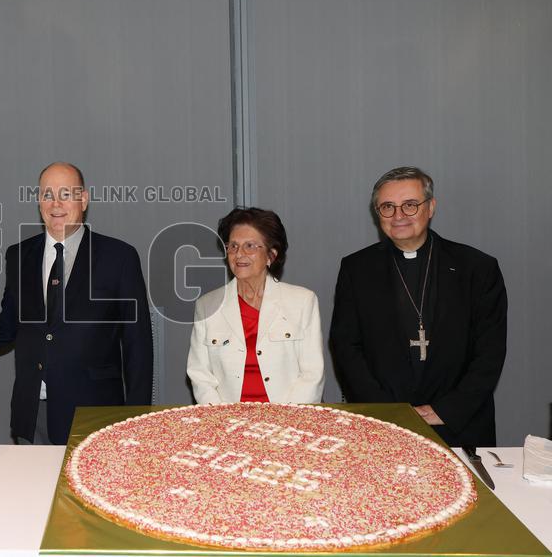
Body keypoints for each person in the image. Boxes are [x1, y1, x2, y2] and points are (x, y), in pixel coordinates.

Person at [329, 166, 507, 447]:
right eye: (387, 207)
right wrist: (389, 412)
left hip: (460, 424)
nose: (398, 216)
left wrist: (445, 410)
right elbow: (346, 347)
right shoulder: (356, 269)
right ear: (378, 214)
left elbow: (490, 352)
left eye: (410, 205)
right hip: (384, 426)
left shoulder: (477, 268)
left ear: (431, 207)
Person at [0, 162, 154, 445]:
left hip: (94, 415)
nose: (56, 204)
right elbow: (7, 325)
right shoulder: (19, 255)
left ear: (84, 199)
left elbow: (137, 345)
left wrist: (136, 420)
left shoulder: (119, 257)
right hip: (32, 415)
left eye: (65, 194)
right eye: (47, 194)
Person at [186, 208, 325, 404]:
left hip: (287, 419)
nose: (239, 254)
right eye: (233, 246)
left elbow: (312, 374)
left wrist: (287, 420)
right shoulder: (207, 305)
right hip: (228, 420)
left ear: (271, 255)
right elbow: (200, 375)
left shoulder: (302, 301)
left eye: (249, 246)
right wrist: (222, 420)